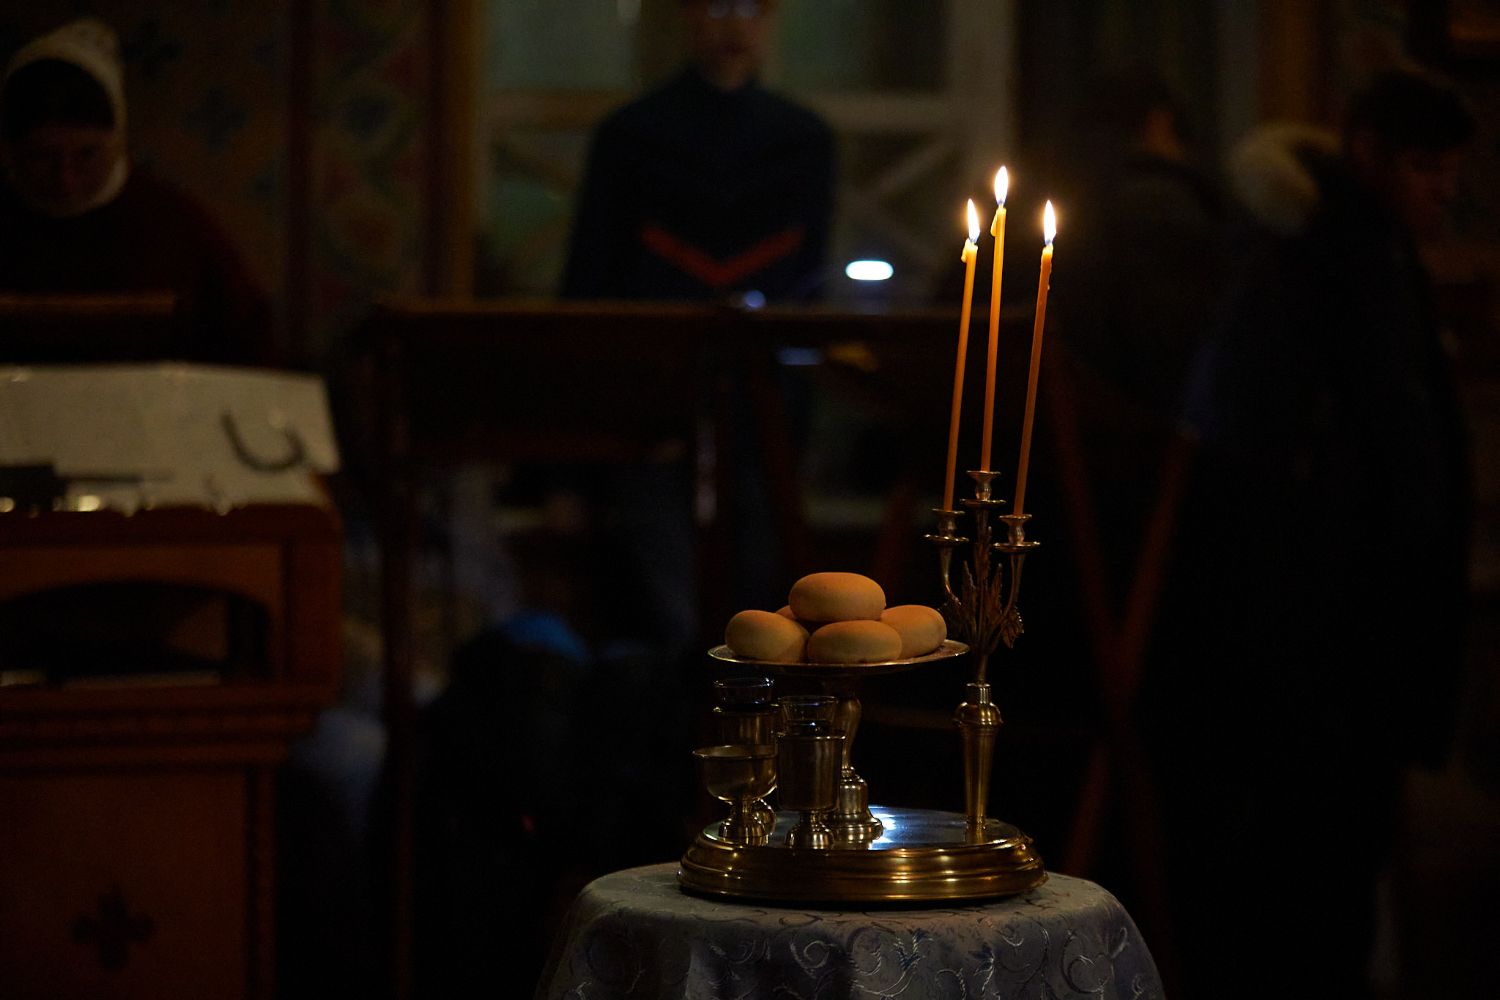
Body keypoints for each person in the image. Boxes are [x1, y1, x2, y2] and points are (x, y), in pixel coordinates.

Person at [1151, 68, 1475, 999]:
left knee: (1323, 859)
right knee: (1312, 862)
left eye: (1450, 171)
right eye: (1425, 167)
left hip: (1338, 614)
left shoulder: (1353, 248)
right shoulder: (1325, 256)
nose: (1443, 190)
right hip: (1326, 619)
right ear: (1369, 154)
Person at [0, 18, 272, 365]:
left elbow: (251, 349)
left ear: (117, 140)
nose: (66, 179)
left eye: (86, 155)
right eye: (42, 158)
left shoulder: (175, 226)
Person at [562, 0, 835, 303]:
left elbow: (812, 267)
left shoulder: (804, 138)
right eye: (718, 8)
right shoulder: (630, 133)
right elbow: (592, 261)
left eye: (750, 9)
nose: (735, 26)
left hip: (769, 323)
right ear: (689, 14)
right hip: (654, 320)